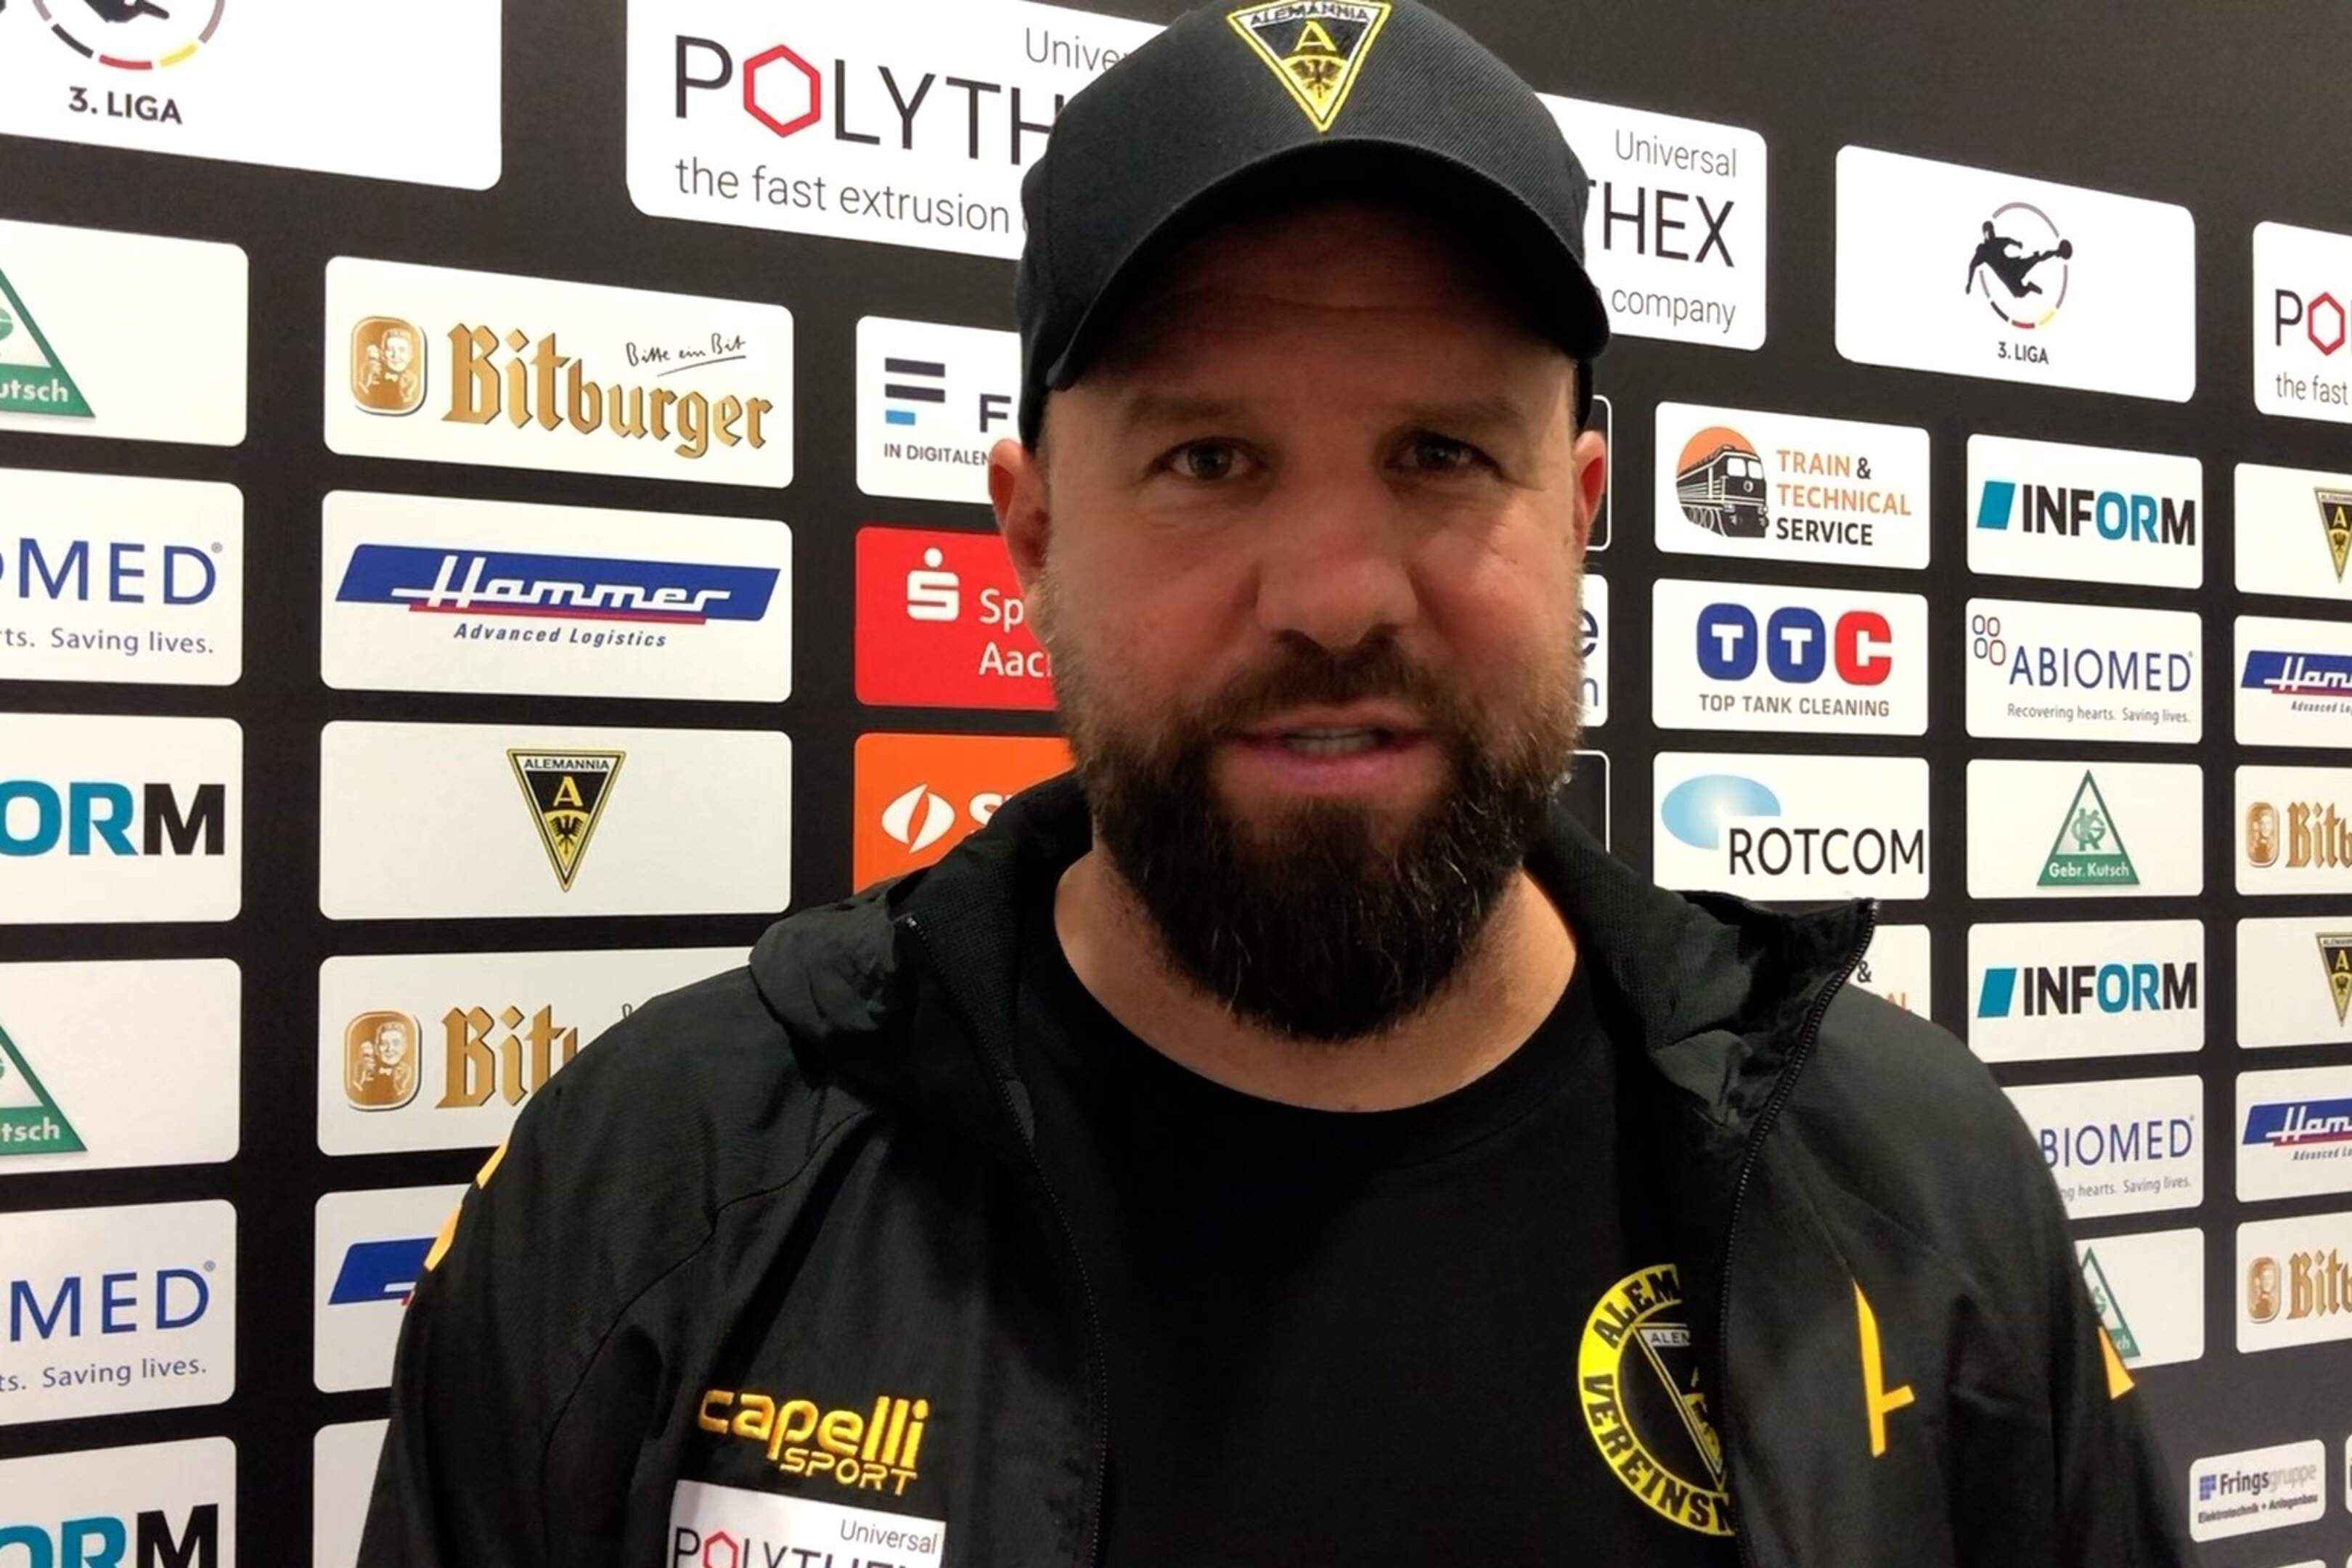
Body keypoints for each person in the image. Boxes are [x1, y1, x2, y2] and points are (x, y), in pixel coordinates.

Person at [359, 4, 2193, 1564]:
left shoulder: (1920, 1194)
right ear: (1031, 531)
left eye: (1440, 453)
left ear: (1578, 515)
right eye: (1211, 458)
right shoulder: (653, 1200)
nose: (1334, 594)